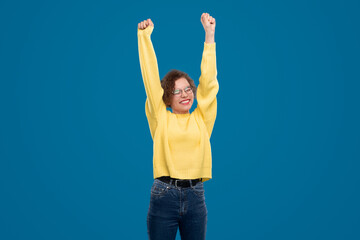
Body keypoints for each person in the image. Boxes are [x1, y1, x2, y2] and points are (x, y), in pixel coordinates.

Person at [137, 12, 218, 240]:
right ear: (166, 98)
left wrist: (209, 36)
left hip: (196, 197)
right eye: (176, 90)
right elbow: (151, 80)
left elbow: (209, 83)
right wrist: (144, 38)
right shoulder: (160, 118)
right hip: (164, 196)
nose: (185, 94)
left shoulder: (202, 118)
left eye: (188, 89)